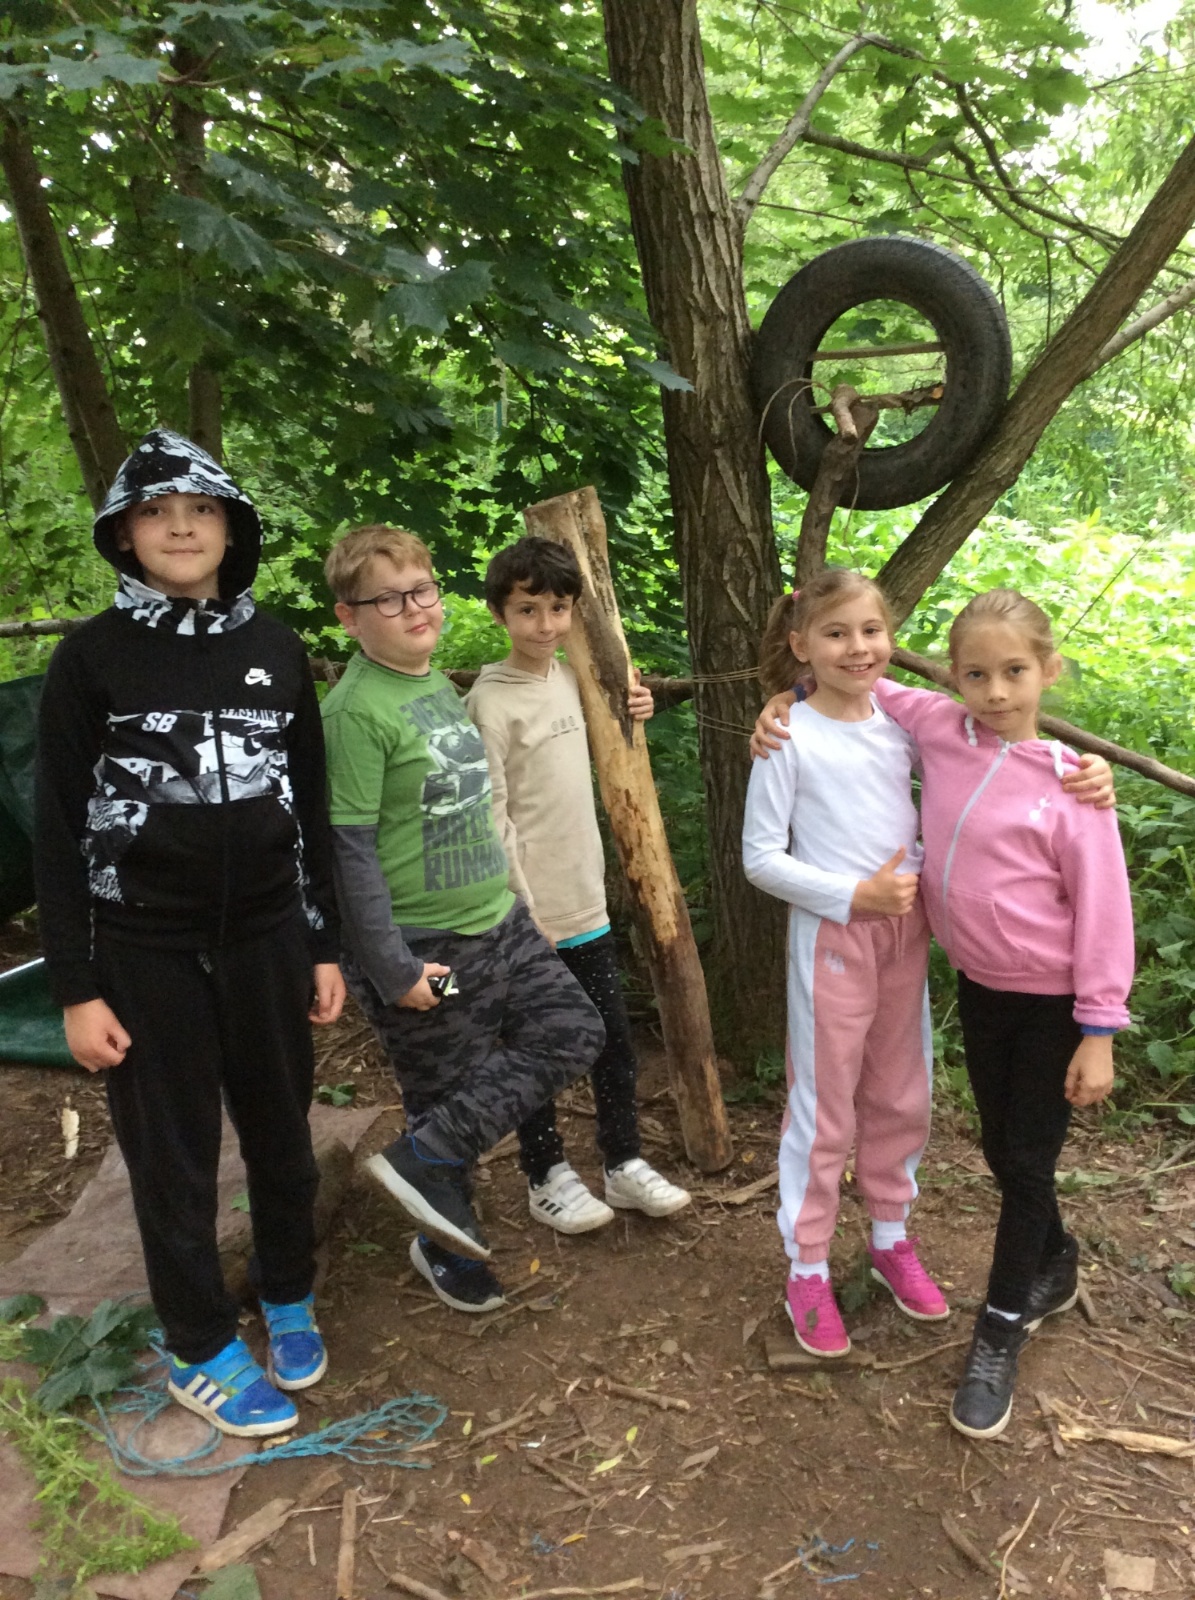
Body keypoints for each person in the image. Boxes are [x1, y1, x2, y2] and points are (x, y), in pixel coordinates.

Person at [752, 584, 1130, 1439]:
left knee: (978, 1139)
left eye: (1013, 672)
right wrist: (785, 693)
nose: (993, 692)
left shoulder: (1066, 785)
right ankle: (818, 1266)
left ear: (1047, 671)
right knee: (919, 1127)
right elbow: (849, 679)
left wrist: (1099, 1028)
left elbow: (1105, 912)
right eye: (975, 675)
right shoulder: (930, 726)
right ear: (952, 677)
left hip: (1023, 990)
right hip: (934, 971)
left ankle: (970, 1299)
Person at [34, 429, 345, 1438]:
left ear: (231, 529)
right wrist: (76, 987)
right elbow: (56, 829)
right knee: (172, 1158)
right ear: (123, 532)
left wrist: (324, 943)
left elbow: (309, 804)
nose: (180, 526)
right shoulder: (91, 658)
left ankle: (286, 1289)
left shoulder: (277, 650)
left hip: (268, 937)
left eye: (201, 509)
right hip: (141, 949)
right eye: (157, 511)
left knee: (282, 1133)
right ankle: (200, 1345)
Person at [320, 525, 606, 1313]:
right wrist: (394, 970)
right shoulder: (354, 713)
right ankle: (445, 1244)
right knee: (442, 1084)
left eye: (422, 590)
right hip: (427, 949)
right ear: (349, 617)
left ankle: (426, 1159)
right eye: (388, 599)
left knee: (574, 1030)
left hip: (499, 923)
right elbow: (348, 852)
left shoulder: (432, 686)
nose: (414, 608)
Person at [742, 569, 947, 1361]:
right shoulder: (787, 735)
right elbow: (760, 858)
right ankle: (807, 1264)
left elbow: (981, 750)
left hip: (903, 935)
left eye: (869, 630)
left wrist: (1075, 774)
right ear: (801, 645)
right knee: (824, 1104)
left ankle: (890, 1236)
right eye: (835, 634)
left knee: (901, 1092)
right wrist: (851, 895)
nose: (856, 647)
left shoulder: (900, 725)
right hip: (832, 941)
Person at [465, 536, 690, 1234]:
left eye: (558, 609)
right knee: (534, 1048)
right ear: (500, 612)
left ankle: (622, 1162)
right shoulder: (488, 702)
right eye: (527, 609)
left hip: (585, 899)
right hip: (528, 915)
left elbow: (611, 739)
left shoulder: (572, 679)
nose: (545, 625)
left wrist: (635, 705)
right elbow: (490, 812)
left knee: (611, 1041)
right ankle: (546, 1174)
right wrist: (519, 906)